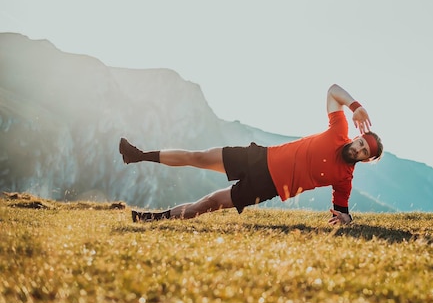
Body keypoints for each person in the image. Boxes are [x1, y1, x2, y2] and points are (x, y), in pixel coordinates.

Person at [119, 83, 383, 225]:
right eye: (361, 142)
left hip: (266, 186)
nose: (358, 148)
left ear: (365, 159)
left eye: (363, 151)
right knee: (197, 157)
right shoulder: (339, 129)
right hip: (259, 157)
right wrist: (355, 106)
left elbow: (342, 210)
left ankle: (151, 219)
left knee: (207, 203)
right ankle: (138, 155)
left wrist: (346, 218)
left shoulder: (344, 178)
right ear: (357, 137)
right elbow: (333, 90)